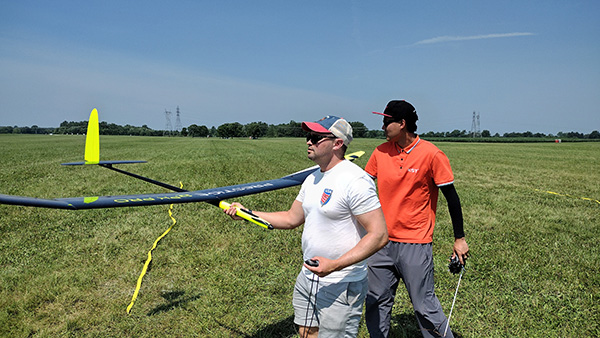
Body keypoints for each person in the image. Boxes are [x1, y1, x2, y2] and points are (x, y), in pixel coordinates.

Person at [224, 116, 388, 338]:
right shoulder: (312, 178)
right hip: (308, 276)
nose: (308, 142)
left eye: (315, 137)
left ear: (338, 143)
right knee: (306, 332)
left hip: (341, 281)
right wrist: (247, 214)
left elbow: (378, 235)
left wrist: (335, 265)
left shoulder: (355, 181)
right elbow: (292, 218)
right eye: (308, 137)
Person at [364, 100, 470, 338]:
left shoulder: (431, 154)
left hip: (415, 242)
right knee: (375, 302)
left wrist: (459, 238)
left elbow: (452, 198)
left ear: (402, 124)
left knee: (424, 306)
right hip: (380, 241)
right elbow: (362, 188)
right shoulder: (380, 151)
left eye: (386, 121)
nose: (382, 126)